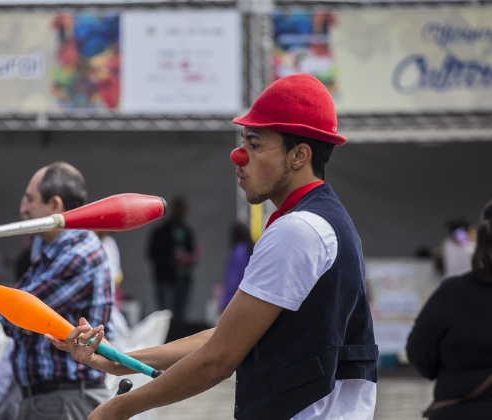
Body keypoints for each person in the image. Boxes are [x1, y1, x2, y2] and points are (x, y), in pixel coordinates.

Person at [47, 74, 378, 420]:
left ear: (299, 155)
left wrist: (117, 409)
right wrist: (122, 360)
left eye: (254, 144)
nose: (238, 157)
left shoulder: (298, 231)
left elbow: (218, 359)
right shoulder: (325, 221)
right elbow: (225, 337)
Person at [3, 161, 113, 420]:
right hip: (56, 399)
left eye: (30, 200)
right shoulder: (54, 251)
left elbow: (12, 318)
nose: (23, 209)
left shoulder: (77, 255)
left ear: (54, 205)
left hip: (64, 401)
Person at [406, 201, 492, 419]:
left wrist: (447, 375)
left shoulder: (452, 289)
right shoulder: (462, 243)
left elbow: (419, 350)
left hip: (461, 409)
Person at [147, 197, 200, 324]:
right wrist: (170, 261)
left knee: (181, 316)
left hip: (183, 279)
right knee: (165, 316)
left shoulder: (187, 231)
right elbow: (152, 254)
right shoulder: (161, 232)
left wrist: (189, 261)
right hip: (166, 280)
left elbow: (192, 251)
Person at [219, 222, 253, 311]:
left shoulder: (238, 251)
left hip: (236, 299)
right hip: (248, 296)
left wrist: (226, 301)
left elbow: (233, 278)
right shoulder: (249, 249)